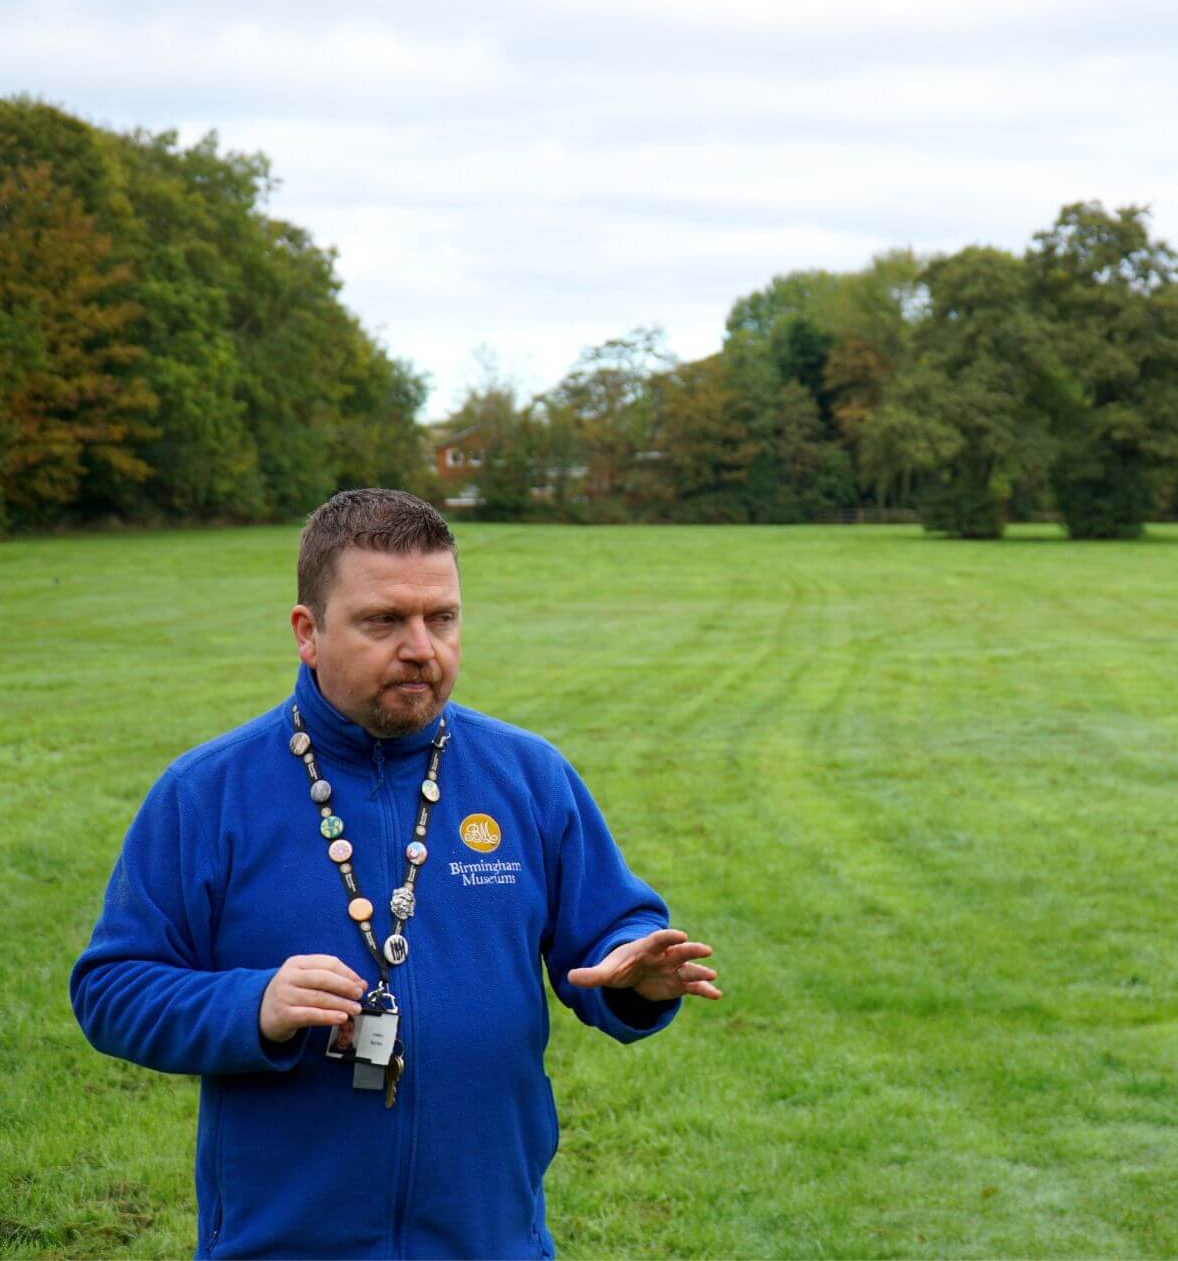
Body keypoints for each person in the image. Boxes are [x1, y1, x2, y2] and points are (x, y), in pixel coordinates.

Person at [71, 489, 721, 1258]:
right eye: (384, 621)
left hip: (490, 1237)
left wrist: (633, 972)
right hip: (282, 1240)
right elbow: (111, 987)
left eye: (441, 617)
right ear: (308, 633)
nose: (422, 646)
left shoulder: (529, 775)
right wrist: (254, 1003)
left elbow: (614, 929)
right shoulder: (205, 793)